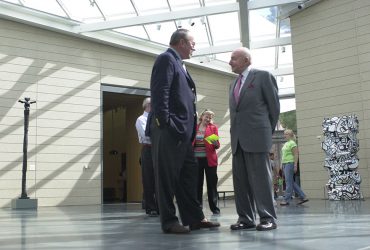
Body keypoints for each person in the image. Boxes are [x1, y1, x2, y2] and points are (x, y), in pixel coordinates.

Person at [148, 29, 220, 234]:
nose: (194, 47)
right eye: (192, 43)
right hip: (169, 131)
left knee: (188, 176)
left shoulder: (179, 63)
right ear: (181, 42)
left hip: (183, 134)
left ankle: (195, 218)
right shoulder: (166, 59)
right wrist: (166, 123)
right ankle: (169, 222)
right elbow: (159, 92)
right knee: (166, 178)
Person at [228, 47, 280, 231]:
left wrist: (265, 132)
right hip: (237, 141)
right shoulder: (232, 84)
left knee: (260, 180)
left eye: (234, 58)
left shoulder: (263, 76)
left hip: (257, 137)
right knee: (240, 182)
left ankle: (268, 218)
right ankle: (246, 218)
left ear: (247, 60)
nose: (230, 62)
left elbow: (274, 109)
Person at [135, 97, 158, 217]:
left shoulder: (155, 119)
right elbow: (146, 135)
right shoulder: (141, 119)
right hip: (148, 149)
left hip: (157, 149)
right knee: (148, 179)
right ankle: (150, 207)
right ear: (148, 105)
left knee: (158, 178)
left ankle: (159, 206)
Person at [194, 109, 220, 215]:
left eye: (210, 117)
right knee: (197, 184)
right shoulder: (195, 127)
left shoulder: (213, 128)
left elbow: (217, 145)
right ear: (202, 116)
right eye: (207, 116)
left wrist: (214, 141)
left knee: (212, 184)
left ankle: (214, 208)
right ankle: (198, 207)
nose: (208, 119)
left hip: (210, 160)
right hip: (196, 160)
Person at [280, 129, 308, 206]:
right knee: (291, 182)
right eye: (284, 134)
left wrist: (295, 165)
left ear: (290, 135)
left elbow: (296, 154)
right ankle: (303, 196)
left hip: (290, 163)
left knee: (288, 182)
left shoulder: (292, 143)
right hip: (285, 163)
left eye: (286, 134)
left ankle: (286, 200)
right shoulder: (286, 143)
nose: (284, 135)